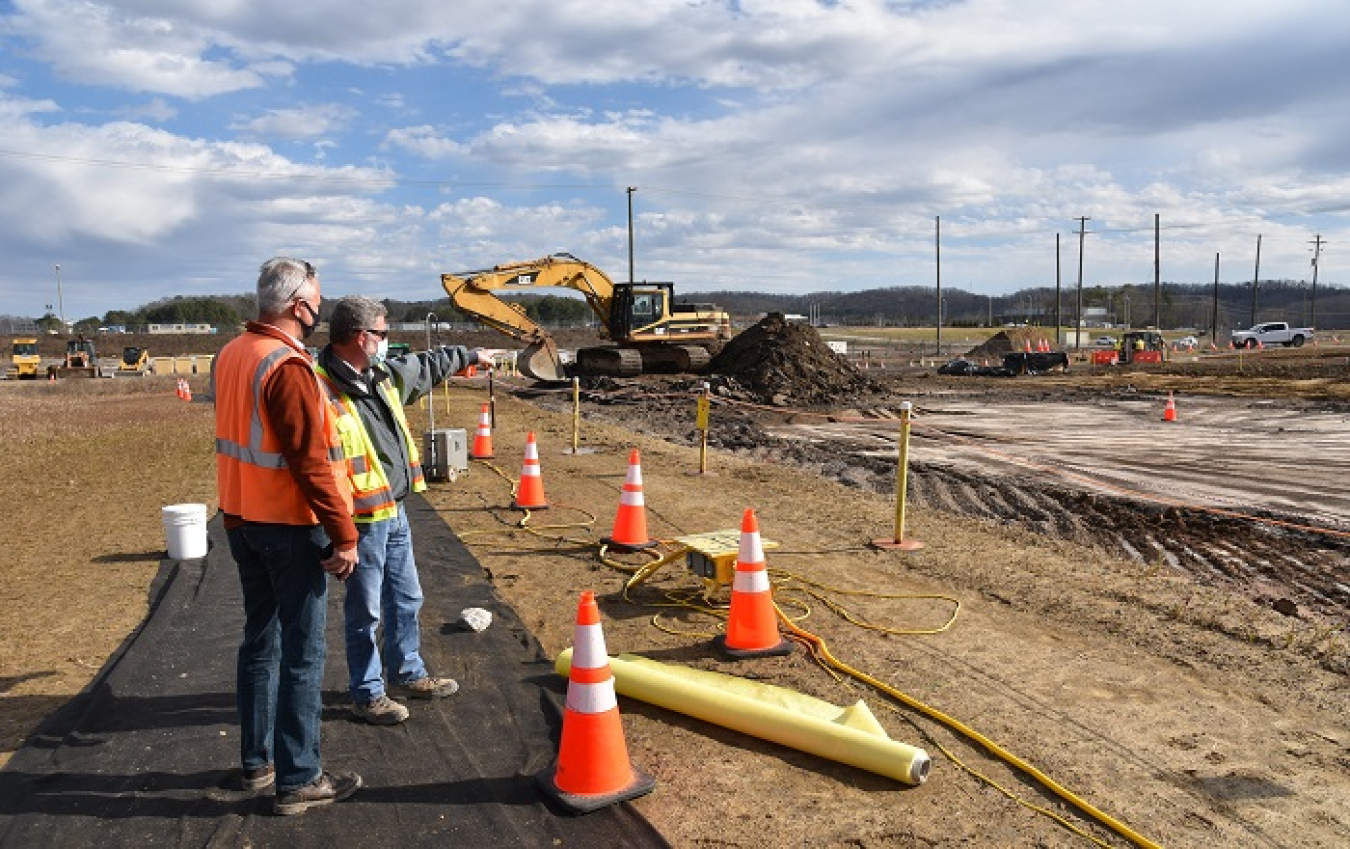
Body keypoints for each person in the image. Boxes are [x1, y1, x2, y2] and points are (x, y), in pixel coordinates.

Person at [213, 258, 363, 816]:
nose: (320, 308)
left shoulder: (232, 353)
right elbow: (310, 461)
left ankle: (258, 764)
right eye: (317, 299)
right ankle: (299, 779)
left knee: (259, 642)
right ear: (300, 307)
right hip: (287, 528)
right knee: (303, 653)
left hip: (240, 519)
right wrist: (343, 534)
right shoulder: (287, 366)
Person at [315, 295, 494, 725]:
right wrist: (337, 533)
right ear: (362, 337)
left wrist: (470, 355)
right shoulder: (318, 388)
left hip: (393, 511)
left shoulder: (378, 375)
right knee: (366, 612)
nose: (387, 340)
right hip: (360, 522)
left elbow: (425, 365)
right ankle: (368, 692)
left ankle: (406, 672)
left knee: (407, 598)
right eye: (382, 333)